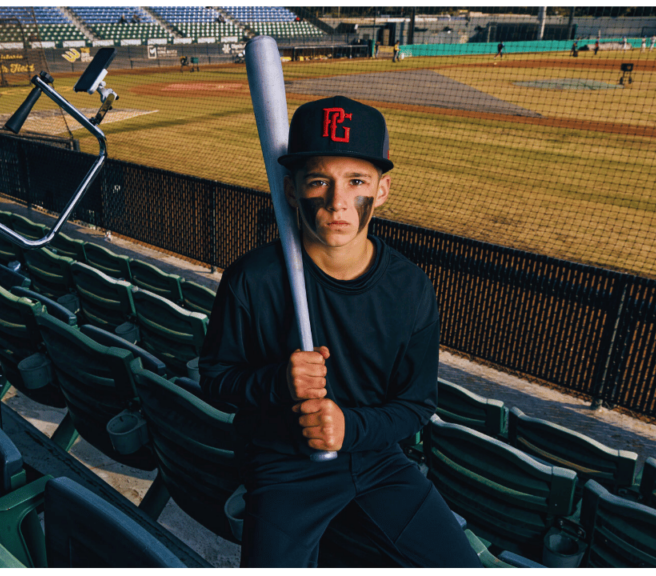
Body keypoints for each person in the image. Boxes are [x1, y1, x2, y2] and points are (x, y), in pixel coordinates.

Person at [200, 95, 481, 569]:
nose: (337, 203)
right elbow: (215, 378)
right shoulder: (253, 278)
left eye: (356, 182)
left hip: (378, 460)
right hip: (282, 463)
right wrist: (276, 382)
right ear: (290, 190)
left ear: (383, 190)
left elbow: (417, 405)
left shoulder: (409, 287)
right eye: (319, 181)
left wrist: (351, 428)